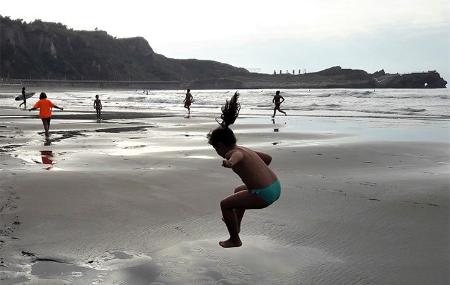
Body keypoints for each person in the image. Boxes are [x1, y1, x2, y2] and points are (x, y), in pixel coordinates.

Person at [208, 93, 281, 248]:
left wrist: (230, 162)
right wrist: (256, 173)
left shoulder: (233, 153)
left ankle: (234, 239)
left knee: (225, 205)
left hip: (264, 195)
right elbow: (267, 158)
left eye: (215, 148)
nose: (217, 151)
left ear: (220, 146)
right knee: (238, 190)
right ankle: (237, 224)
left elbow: (236, 157)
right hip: (276, 187)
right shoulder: (244, 149)